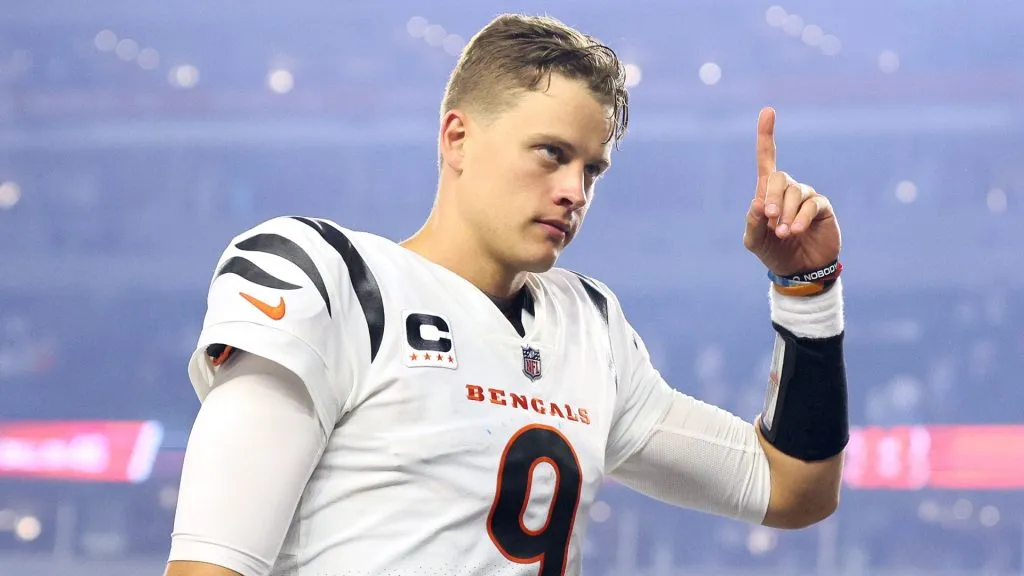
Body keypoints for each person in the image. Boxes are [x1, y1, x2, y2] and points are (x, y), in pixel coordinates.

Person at [165, 12, 848, 576]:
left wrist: (807, 292)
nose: (574, 191)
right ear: (458, 138)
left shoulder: (589, 326)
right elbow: (211, 565)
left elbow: (792, 488)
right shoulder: (333, 279)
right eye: (551, 153)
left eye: (592, 169)